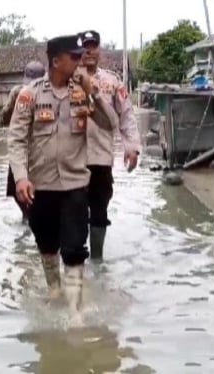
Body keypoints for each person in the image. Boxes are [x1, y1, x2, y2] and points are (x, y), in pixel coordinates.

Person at [8, 34, 118, 319]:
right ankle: (54, 290)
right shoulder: (29, 95)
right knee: (46, 246)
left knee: (73, 249)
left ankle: (75, 309)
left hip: (75, 185)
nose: (81, 60)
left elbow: (110, 124)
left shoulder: (83, 92)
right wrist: (20, 177)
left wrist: (94, 92)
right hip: (41, 186)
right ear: (56, 61)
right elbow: (17, 140)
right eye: (74, 56)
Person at [78, 30, 141, 260]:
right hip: (71, 159)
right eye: (85, 47)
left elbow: (126, 116)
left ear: (99, 50)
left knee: (98, 212)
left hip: (101, 158)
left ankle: (97, 262)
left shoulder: (112, 82)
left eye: (93, 46)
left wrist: (131, 147)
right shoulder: (68, 79)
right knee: (72, 212)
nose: (89, 51)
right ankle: (75, 260)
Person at [1, 60, 46, 223]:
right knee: (15, 189)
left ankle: (34, 218)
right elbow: (4, 119)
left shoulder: (48, 93)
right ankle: (27, 216)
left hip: (40, 152)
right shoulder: (17, 92)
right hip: (21, 150)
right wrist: (15, 100)